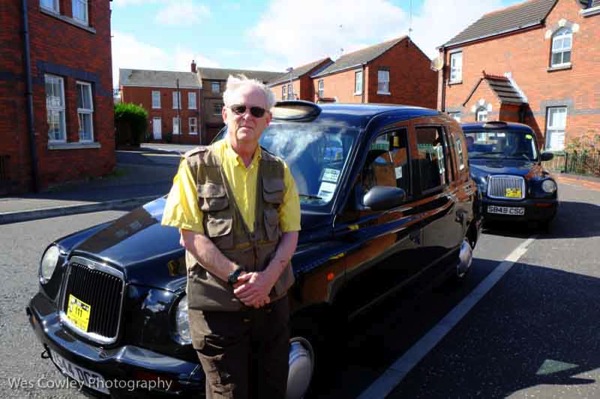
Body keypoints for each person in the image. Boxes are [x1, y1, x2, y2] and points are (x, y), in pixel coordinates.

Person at [161, 75, 301, 399]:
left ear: (268, 120)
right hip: (218, 314)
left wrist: (266, 280)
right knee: (230, 393)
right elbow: (190, 237)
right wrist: (239, 277)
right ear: (225, 114)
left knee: (272, 389)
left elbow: (291, 233)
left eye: (256, 111)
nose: (246, 117)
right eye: (239, 108)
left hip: (270, 307)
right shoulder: (195, 166)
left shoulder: (280, 170)